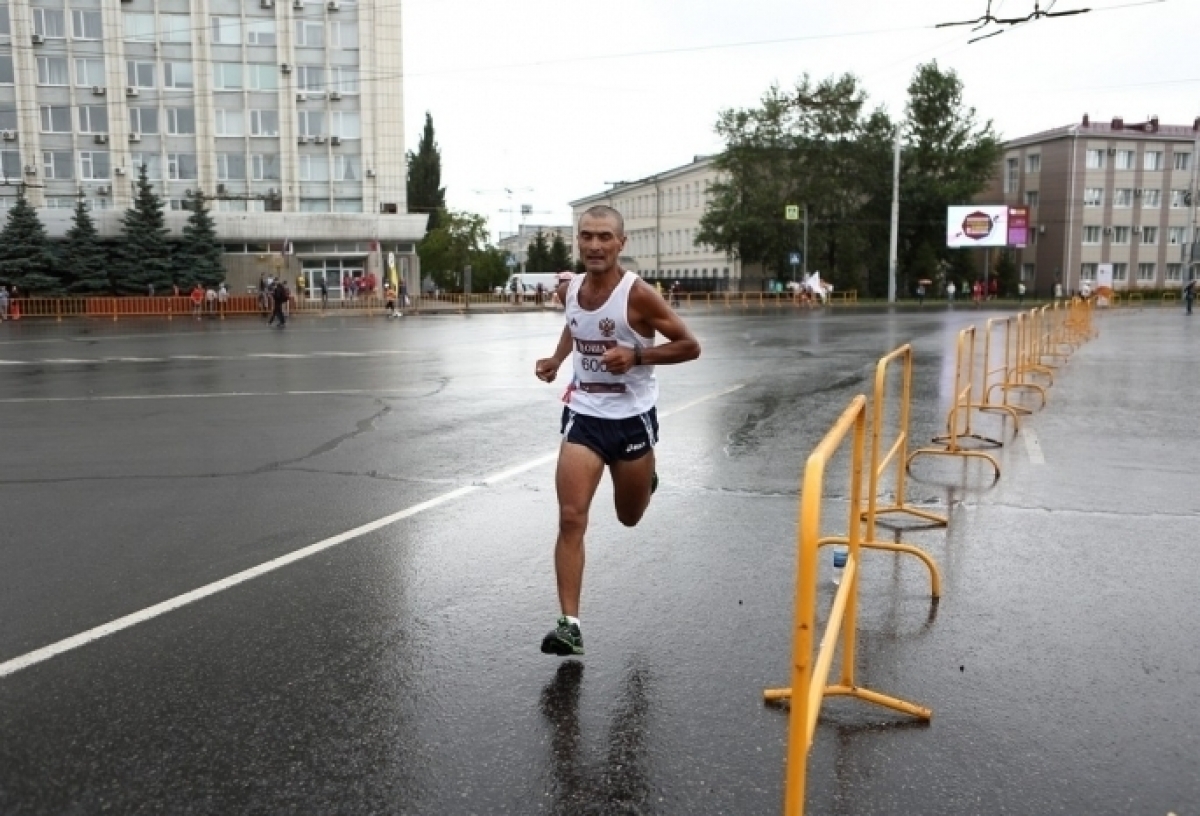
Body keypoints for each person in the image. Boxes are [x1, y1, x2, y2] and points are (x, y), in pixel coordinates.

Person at [534, 205, 701, 656]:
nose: (594, 244)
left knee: (630, 516)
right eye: (587, 236)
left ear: (620, 243)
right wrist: (556, 359)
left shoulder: (638, 295)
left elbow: (690, 346)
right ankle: (569, 625)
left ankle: (646, 476)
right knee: (571, 517)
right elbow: (575, 328)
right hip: (585, 415)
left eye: (604, 237)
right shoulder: (570, 289)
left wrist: (637, 356)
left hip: (631, 418)